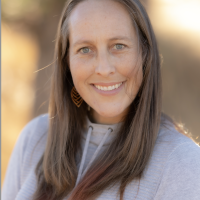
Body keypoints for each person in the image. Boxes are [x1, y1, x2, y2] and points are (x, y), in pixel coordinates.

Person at [2, 0, 200, 199]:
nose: (104, 69)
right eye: (85, 49)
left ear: (145, 54)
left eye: (119, 46)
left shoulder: (182, 163)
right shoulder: (34, 138)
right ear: (67, 62)